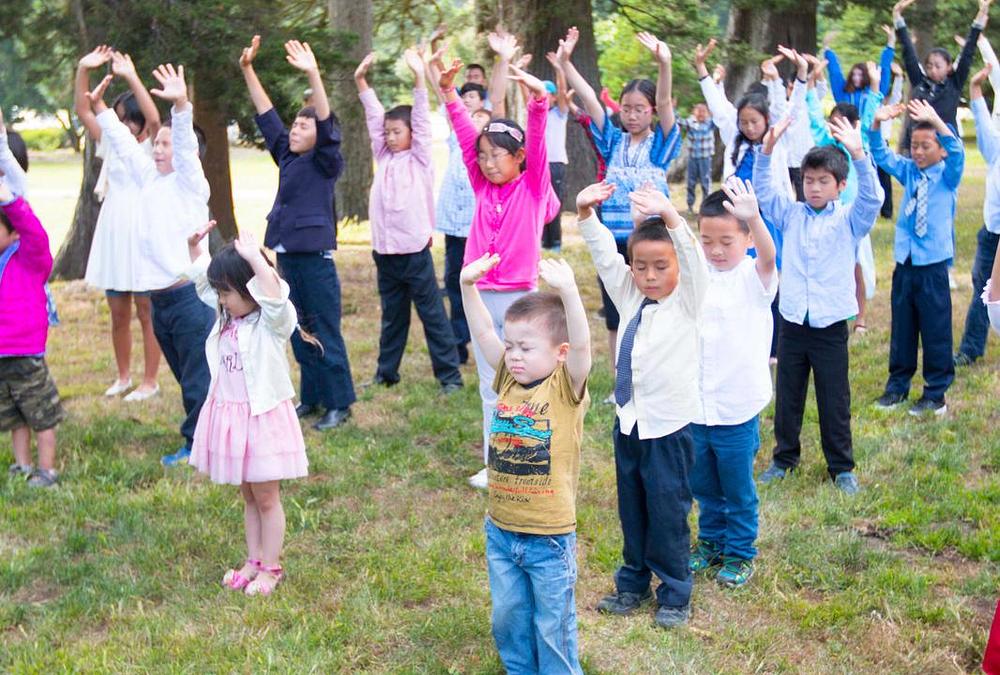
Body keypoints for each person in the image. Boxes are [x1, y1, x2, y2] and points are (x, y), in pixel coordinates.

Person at [577, 181, 708, 629]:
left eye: (660, 267)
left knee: (668, 511)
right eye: (641, 267)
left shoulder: (688, 301)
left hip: (668, 430)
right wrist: (585, 215)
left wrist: (671, 216)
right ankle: (632, 581)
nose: (650, 276)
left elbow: (691, 258)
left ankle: (674, 591)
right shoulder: (631, 296)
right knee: (632, 507)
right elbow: (606, 261)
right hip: (629, 424)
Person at [434, 53, 560, 489]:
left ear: (519, 157)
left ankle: (527, 455)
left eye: (497, 156)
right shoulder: (481, 184)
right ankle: (497, 461)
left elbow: (539, 142)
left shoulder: (533, 185)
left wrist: (538, 103)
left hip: (519, 297)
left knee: (524, 379)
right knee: (491, 381)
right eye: (483, 156)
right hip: (480, 296)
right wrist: (449, 91)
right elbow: (466, 135)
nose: (487, 163)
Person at [461, 252, 590, 673]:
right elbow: (482, 331)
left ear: (559, 353)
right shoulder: (507, 379)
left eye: (526, 347)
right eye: (511, 345)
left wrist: (568, 290)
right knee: (508, 618)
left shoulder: (564, 388)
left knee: (553, 624)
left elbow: (585, 348)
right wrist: (468, 287)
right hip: (501, 530)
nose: (513, 355)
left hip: (548, 539)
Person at [90, 62, 215, 466]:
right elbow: (126, 146)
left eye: (166, 145)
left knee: (198, 379)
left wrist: (181, 105)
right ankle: (213, 431)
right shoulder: (150, 179)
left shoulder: (190, 184)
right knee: (187, 376)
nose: (159, 150)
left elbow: (183, 142)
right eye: (156, 145)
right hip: (161, 302)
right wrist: (102, 110)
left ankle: (198, 445)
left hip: (190, 299)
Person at [754, 115, 883, 494]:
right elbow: (763, 191)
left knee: (833, 397)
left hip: (829, 326)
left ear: (840, 186)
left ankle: (841, 467)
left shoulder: (848, 220)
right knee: (789, 394)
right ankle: (784, 458)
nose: (813, 187)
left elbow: (873, 198)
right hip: (793, 321)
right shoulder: (791, 215)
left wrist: (858, 154)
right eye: (808, 180)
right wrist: (767, 149)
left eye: (823, 181)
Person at [183, 223, 307, 597]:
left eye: (228, 293)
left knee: (267, 497)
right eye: (220, 293)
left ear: (251, 288)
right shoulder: (228, 318)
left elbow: (276, 299)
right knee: (249, 496)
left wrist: (255, 259)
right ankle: (253, 561)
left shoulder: (271, 323)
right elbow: (204, 285)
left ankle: (271, 568)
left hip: (263, 419)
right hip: (234, 419)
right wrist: (195, 251)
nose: (221, 300)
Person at [559, 27, 682, 401]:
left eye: (639, 109)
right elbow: (591, 99)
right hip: (611, 239)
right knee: (616, 312)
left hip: (649, 240)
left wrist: (665, 64)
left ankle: (655, 377)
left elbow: (664, 102)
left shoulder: (662, 143)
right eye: (626, 108)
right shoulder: (611, 140)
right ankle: (620, 382)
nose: (631, 115)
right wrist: (565, 63)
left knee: (653, 308)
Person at [239, 35, 353, 431]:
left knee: (324, 328)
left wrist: (313, 73)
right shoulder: (287, 155)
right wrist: (247, 69)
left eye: (304, 125)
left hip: (315, 259)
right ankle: (313, 397)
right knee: (297, 327)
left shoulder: (326, 160)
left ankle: (340, 403)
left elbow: (325, 119)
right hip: (286, 255)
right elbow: (266, 113)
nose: (296, 128)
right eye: (296, 123)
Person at [354, 48, 463, 393]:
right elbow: (374, 120)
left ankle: (449, 377)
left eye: (396, 132)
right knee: (392, 317)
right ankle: (387, 373)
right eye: (387, 132)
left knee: (432, 316)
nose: (388, 136)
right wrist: (361, 82)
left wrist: (419, 78)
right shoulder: (384, 156)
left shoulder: (419, 158)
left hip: (414, 253)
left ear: (412, 135)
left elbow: (418, 117)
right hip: (384, 253)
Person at [689, 180, 777, 588]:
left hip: (737, 407)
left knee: (737, 489)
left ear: (746, 238)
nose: (716, 250)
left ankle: (741, 553)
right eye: (707, 241)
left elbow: (769, 255)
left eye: (727, 240)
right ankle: (710, 542)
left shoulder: (753, 276)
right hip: (698, 405)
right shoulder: (697, 275)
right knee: (704, 485)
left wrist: (754, 217)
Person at [75, 46, 163, 402]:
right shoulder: (110, 142)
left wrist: (131, 76)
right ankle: (123, 375)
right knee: (117, 310)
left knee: (146, 310)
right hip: (113, 229)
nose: (126, 125)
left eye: (132, 119)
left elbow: (156, 120)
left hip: (142, 231)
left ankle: (150, 379)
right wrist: (84, 69)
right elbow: (84, 109)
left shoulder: (150, 147)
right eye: (121, 117)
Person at [870, 100, 964, 417]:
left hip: (933, 266)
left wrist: (936, 119)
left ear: (941, 150)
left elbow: (958, 149)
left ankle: (935, 394)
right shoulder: (909, 171)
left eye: (926, 146)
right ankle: (897, 387)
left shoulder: (948, 175)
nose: (919, 152)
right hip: (905, 263)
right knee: (903, 328)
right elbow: (881, 156)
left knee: (936, 330)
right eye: (914, 146)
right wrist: (876, 124)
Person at [0, 181, 66, 487]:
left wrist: (10, 202)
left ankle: (47, 470)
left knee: (40, 413)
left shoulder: (29, 258)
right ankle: (23, 465)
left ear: (13, 233)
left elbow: (34, 231)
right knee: (14, 415)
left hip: (25, 354)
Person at [892, 0, 991, 149]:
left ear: (949, 67)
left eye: (938, 66)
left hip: (944, 146)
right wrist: (897, 17)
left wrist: (981, 16)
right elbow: (908, 52)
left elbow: (968, 51)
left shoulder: (954, 83)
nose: (933, 70)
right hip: (918, 145)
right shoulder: (920, 82)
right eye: (929, 66)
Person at [956, 64, 1000, 365]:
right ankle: (971, 348)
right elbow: (983, 123)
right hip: (992, 234)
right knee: (982, 288)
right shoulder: (996, 149)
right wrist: (974, 90)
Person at [541, 50, 570, 251]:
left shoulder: (559, 114)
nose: (543, 97)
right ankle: (543, 241)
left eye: (546, 94)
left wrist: (559, 68)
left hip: (556, 164)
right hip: (540, 164)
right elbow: (527, 92)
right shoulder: (536, 113)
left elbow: (562, 91)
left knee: (555, 203)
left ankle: (556, 242)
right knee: (540, 202)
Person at [676, 102, 716, 215]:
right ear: (694, 112)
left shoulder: (710, 123)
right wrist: (673, 109)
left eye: (703, 111)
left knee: (706, 182)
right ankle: (690, 206)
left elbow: (720, 119)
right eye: (698, 110)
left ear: (708, 113)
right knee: (691, 182)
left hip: (705, 158)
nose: (701, 113)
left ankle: (706, 206)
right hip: (693, 157)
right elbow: (679, 121)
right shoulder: (691, 122)